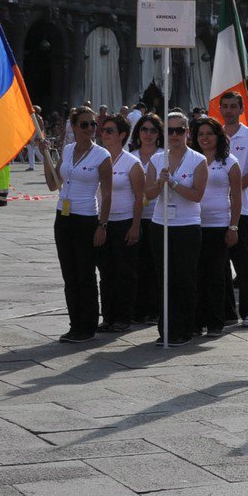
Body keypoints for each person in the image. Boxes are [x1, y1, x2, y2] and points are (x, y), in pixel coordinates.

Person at [38, 105, 113, 343]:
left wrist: (102, 225)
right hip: (63, 216)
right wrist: (44, 156)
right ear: (74, 126)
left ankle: (88, 325)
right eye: (84, 124)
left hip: (86, 217)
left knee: (85, 273)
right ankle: (75, 324)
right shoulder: (68, 150)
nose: (90, 129)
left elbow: (108, 194)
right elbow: (53, 183)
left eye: (93, 124)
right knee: (69, 274)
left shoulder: (102, 155)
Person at [143, 111, 209, 344]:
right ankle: (166, 329)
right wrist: (160, 182)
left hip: (187, 225)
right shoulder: (156, 160)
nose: (174, 135)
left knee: (184, 278)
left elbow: (197, 195)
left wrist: (174, 182)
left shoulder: (198, 160)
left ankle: (185, 328)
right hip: (161, 224)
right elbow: (148, 195)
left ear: (187, 133)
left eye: (179, 130)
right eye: (170, 131)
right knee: (164, 278)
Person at [191, 116, 242, 334]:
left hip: (219, 225)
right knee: (195, 275)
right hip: (192, 224)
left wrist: (233, 227)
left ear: (218, 137)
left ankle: (215, 320)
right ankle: (197, 320)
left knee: (215, 275)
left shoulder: (230, 162)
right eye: (200, 134)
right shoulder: (190, 159)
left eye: (209, 134)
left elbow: (237, 198)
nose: (204, 138)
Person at [95, 113, 145, 334]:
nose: (104, 134)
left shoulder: (132, 163)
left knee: (125, 272)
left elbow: (139, 197)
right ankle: (108, 316)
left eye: (110, 131)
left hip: (124, 221)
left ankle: (124, 317)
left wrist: (135, 226)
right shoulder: (97, 158)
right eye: (103, 130)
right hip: (102, 222)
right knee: (106, 272)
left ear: (122, 135)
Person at [218, 92, 248, 326]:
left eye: (233, 106)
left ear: (241, 109)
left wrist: (232, 190)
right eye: (224, 106)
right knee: (219, 264)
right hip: (214, 210)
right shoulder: (213, 136)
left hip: (242, 209)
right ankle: (226, 311)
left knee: (243, 263)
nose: (228, 110)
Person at [129, 113, 165, 325]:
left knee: (155, 264)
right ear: (138, 132)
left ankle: (155, 308)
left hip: (157, 215)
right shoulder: (131, 155)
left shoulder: (164, 155)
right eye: (144, 129)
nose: (148, 134)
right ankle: (137, 308)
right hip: (133, 215)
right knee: (136, 264)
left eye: (153, 130)